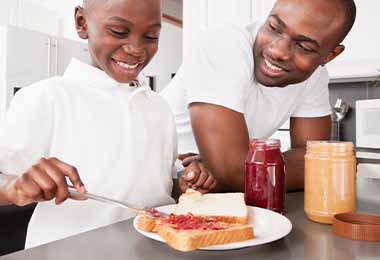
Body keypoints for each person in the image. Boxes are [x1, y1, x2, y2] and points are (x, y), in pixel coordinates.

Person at [0, 0, 215, 249]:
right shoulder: (45, 97)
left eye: (151, 36)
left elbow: (163, 188)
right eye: (119, 32)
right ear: (82, 23)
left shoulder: (160, 107)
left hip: (152, 251)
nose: (136, 49)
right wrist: (14, 187)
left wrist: (186, 186)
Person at [161, 0, 356, 192]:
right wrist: (232, 171)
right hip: (152, 180)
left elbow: (316, 158)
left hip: (200, 192)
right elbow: (235, 173)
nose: (278, 50)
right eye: (274, 28)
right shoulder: (224, 43)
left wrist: (234, 170)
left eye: (304, 47)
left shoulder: (315, 76)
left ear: (330, 56)